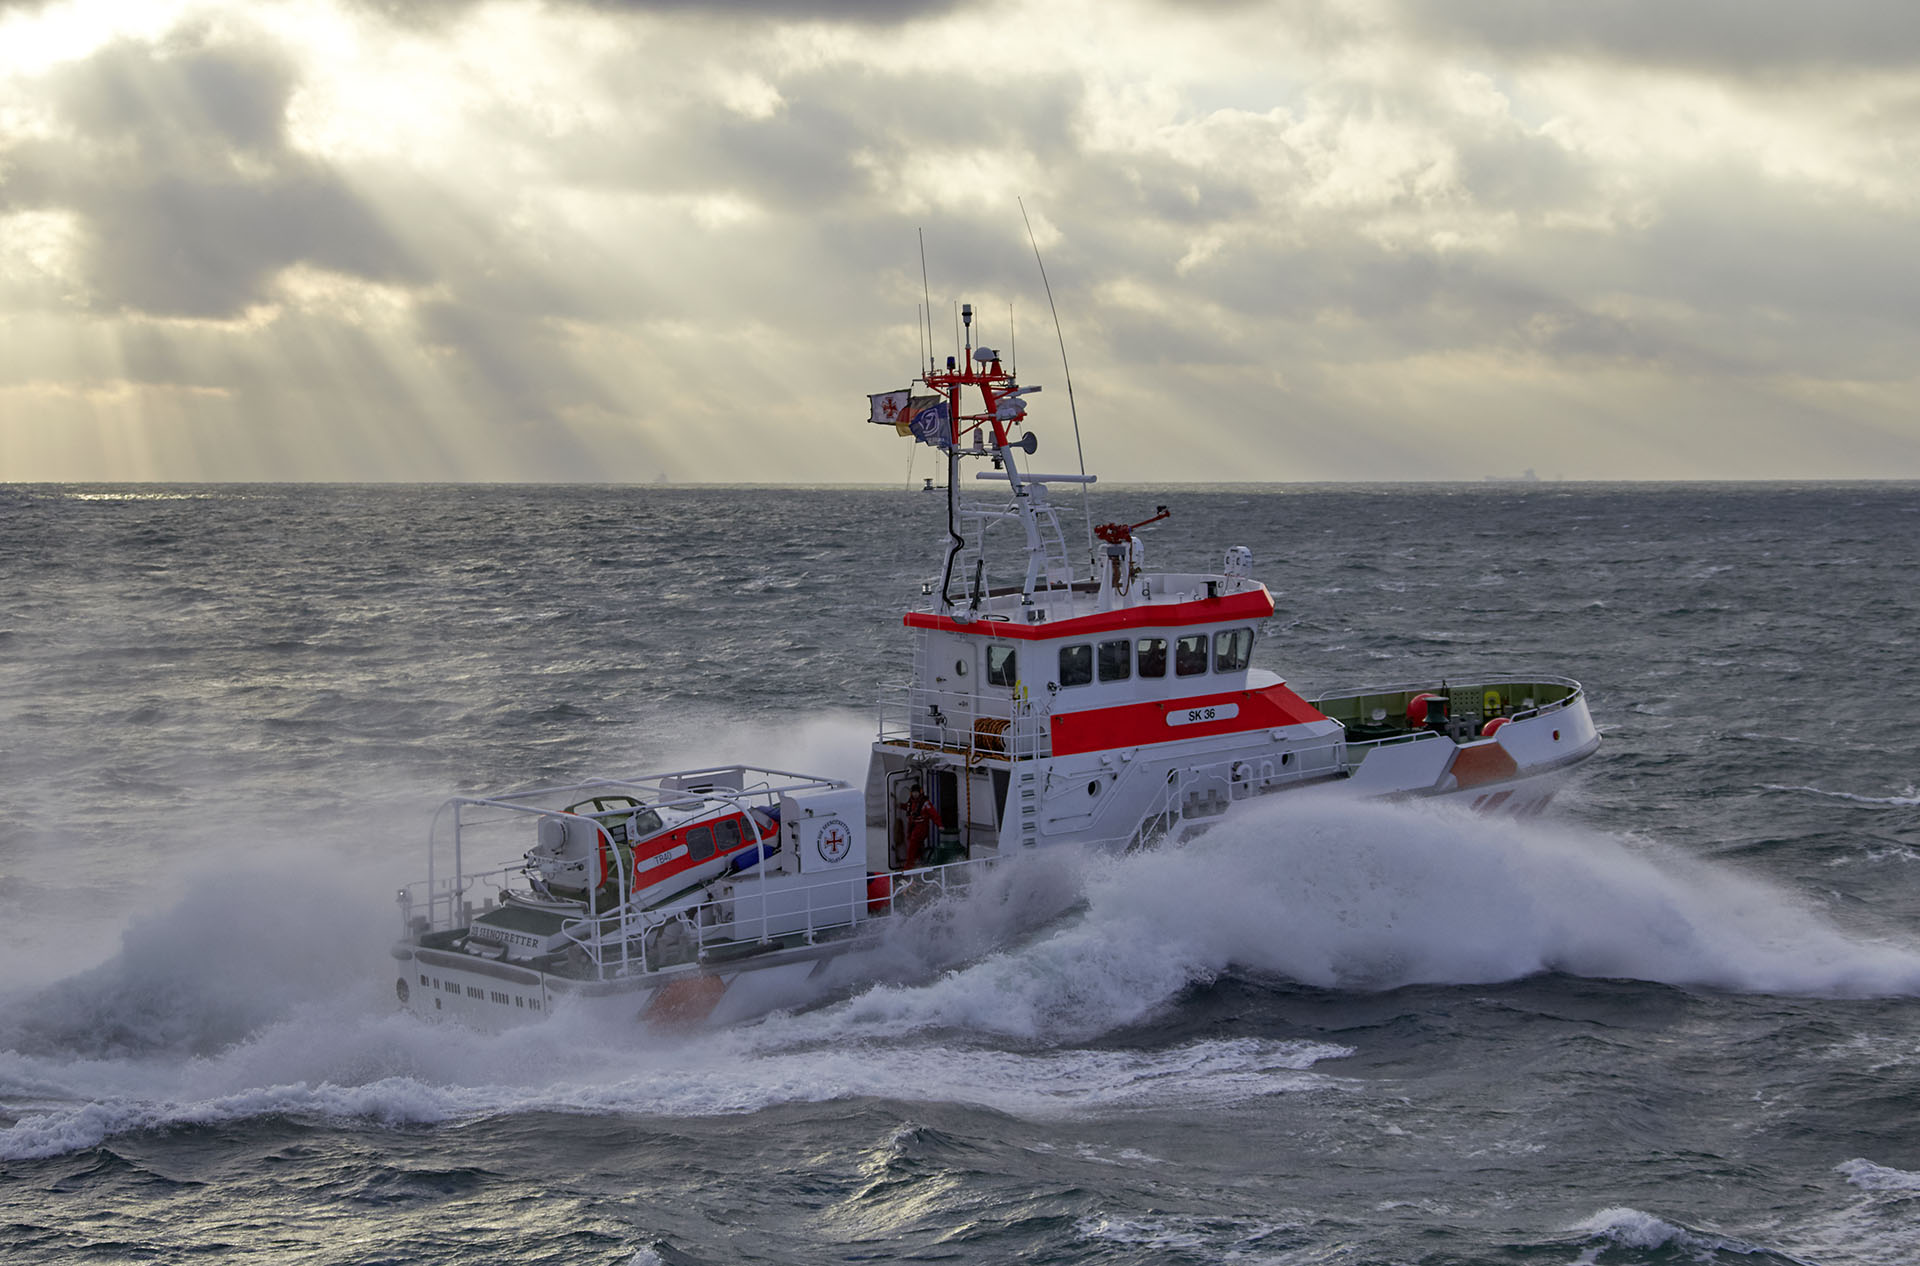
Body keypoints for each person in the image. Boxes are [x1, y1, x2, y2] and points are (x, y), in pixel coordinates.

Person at [901, 784, 942, 870]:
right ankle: (918, 866)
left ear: (920, 792)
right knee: (917, 849)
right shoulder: (911, 802)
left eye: (916, 792)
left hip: (921, 829)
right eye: (913, 792)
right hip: (912, 827)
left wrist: (940, 825)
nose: (915, 794)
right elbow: (908, 808)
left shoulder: (925, 803)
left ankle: (907, 869)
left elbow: (934, 814)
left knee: (912, 850)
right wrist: (898, 805)